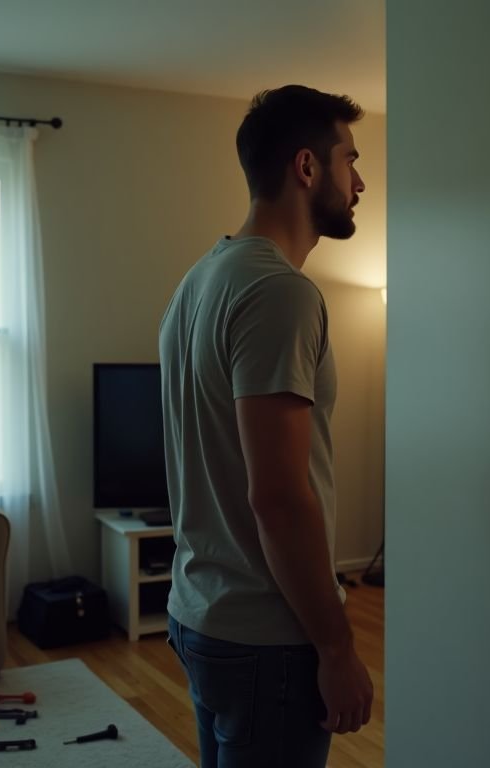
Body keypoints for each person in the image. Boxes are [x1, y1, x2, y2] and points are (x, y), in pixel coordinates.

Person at [158, 84, 374, 768]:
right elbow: (279, 498)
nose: (360, 181)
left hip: (202, 611)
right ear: (307, 168)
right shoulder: (280, 292)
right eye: (351, 161)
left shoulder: (200, 279)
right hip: (265, 638)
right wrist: (337, 646)